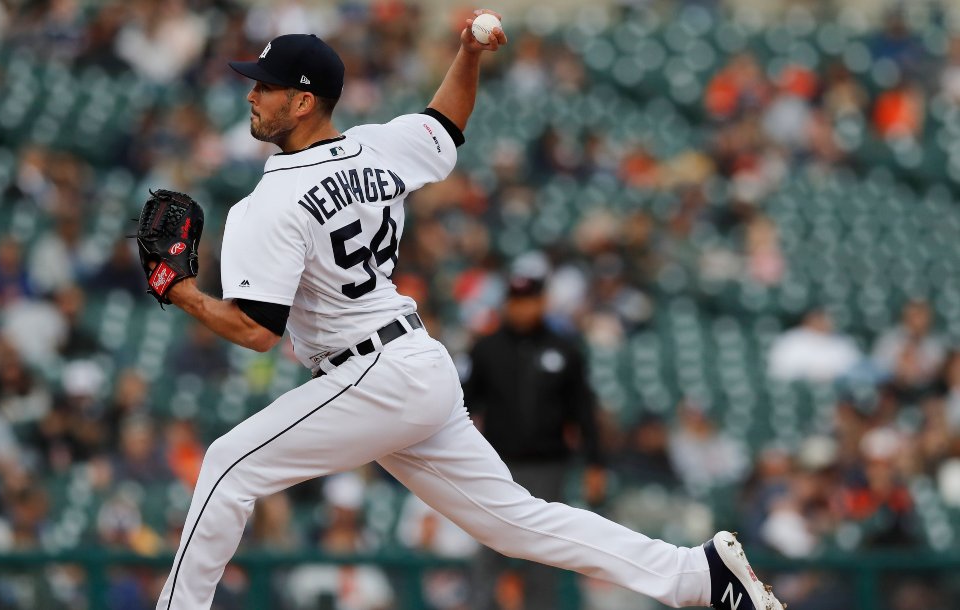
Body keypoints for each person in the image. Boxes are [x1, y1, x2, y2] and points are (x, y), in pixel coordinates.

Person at [150, 11, 782, 610]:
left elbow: (257, 333)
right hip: (412, 363)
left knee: (228, 466)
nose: (251, 96)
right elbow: (446, 121)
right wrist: (467, 55)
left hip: (372, 375)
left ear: (304, 100)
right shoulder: (377, 148)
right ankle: (697, 576)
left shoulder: (272, 200)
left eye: (266, 86)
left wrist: (180, 290)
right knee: (517, 524)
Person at [463, 273, 605, 609]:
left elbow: (583, 411)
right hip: (497, 467)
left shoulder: (565, 350)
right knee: (488, 550)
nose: (522, 308)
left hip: (548, 466)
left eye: (529, 301)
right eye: (516, 301)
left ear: (542, 302)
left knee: (543, 553)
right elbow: (464, 406)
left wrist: (596, 463)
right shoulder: (486, 349)